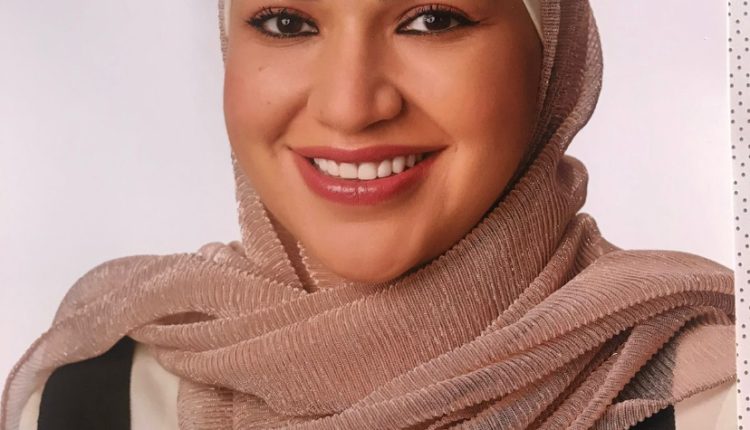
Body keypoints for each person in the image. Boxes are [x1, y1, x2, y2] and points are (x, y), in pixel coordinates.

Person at [1, 0, 737, 429]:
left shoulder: (713, 403)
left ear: (550, 60)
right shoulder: (87, 406)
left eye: (430, 19)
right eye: (287, 22)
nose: (351, 105)